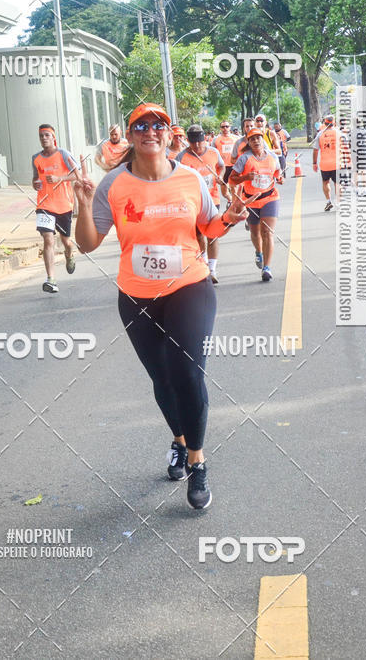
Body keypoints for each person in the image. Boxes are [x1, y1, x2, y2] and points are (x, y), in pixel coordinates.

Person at [74, 103, 248, 510]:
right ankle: (180, 439)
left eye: (159, 125)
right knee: (162, 379)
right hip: (137, 295)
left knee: (187, 370)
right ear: (130, 135)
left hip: (189, 284)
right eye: (141, 125)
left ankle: (197, 461)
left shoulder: (190, 179)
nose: (150, 130)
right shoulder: (113, 185)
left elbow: (207, 227)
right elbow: (87, 243)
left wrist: (230, 218)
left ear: (171, 134)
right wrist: (83, 202)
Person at [228, 127, 283, 281]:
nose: (256, 141)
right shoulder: (244, 158)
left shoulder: (272, 156)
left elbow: (277, 172)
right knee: (255, 232)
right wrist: (245, 177)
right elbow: (231, 179)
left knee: (267, 232)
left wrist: (280, 178)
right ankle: (258, 252)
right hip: (251, 200)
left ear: (262, 140)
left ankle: (267, 267)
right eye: (252, 139)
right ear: (249, 142)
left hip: (270, 198)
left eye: (258, 138)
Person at [32, 123, 80, 293]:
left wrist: (59, 178)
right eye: (41, 136)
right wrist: (35, 183)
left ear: (53, 138)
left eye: (47, 135)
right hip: (44, 204)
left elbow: (77, 174)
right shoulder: (36, 158)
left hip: (63, 205)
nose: (44, 138)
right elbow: (35, 179)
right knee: (48, 238)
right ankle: (51, 279)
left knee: (66, 241)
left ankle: (69, 254)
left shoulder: (63, 154)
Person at [175, 125, 226, 284]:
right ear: (188, 142)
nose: (197, 146)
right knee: (199, 235)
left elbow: (222, 165)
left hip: (213, 199)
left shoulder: (213, 152)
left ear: (204, 139)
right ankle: (203, 265)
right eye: (193, 142)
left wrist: (220, 176)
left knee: (212, 233)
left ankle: (212, 269)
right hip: (192, 202)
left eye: (199, 142)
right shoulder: (181, 157)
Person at [312, 115, 346, 211]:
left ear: (324, 123)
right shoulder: (339, 133)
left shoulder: (320, 134)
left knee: (325, 182)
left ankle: (328, 201)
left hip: (325, 164)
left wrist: (314, 163)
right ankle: (339, 203)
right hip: (337, 162)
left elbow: (315, 150)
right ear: (334, 122)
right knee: (338, 183)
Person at [212, 121, 238, 185]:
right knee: (224, 191)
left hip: (234, 166)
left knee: (234, 187)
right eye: (223, 127)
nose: (225, 128)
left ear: (230, 127)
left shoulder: (236, 138)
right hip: (223, 167)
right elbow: (213, 153)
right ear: (220, 128)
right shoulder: (216, 139)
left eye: (227, 126)